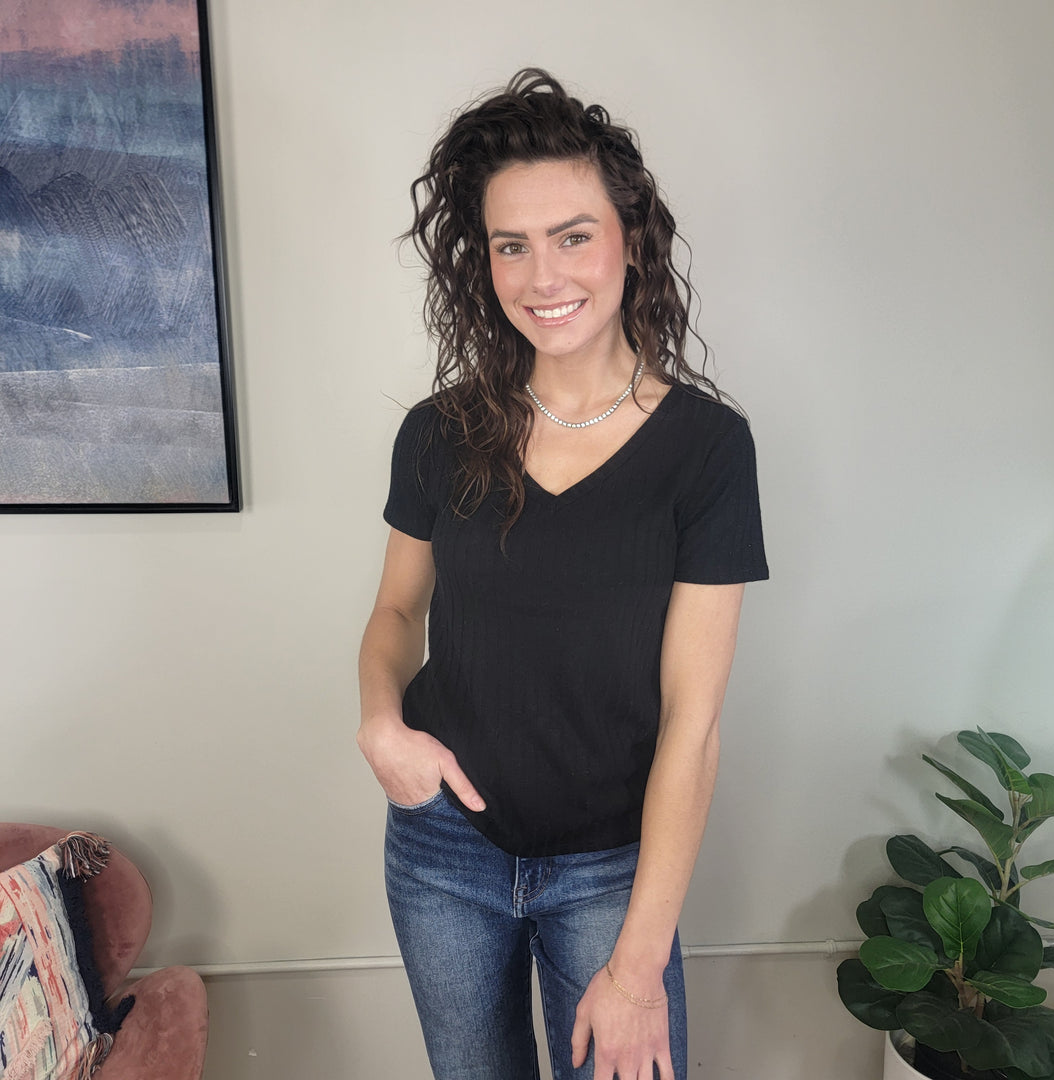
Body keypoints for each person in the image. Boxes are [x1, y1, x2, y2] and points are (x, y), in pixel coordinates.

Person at [357, 68, 768, 1080]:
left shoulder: (707, 451)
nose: (543, 276)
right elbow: (397, 611)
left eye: (573, 236)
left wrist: (639, 964)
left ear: (632, 240)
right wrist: (381, 723)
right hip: (444, 853)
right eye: (512, 245)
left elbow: (693, 726)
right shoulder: (438, 433)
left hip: (613, 872)